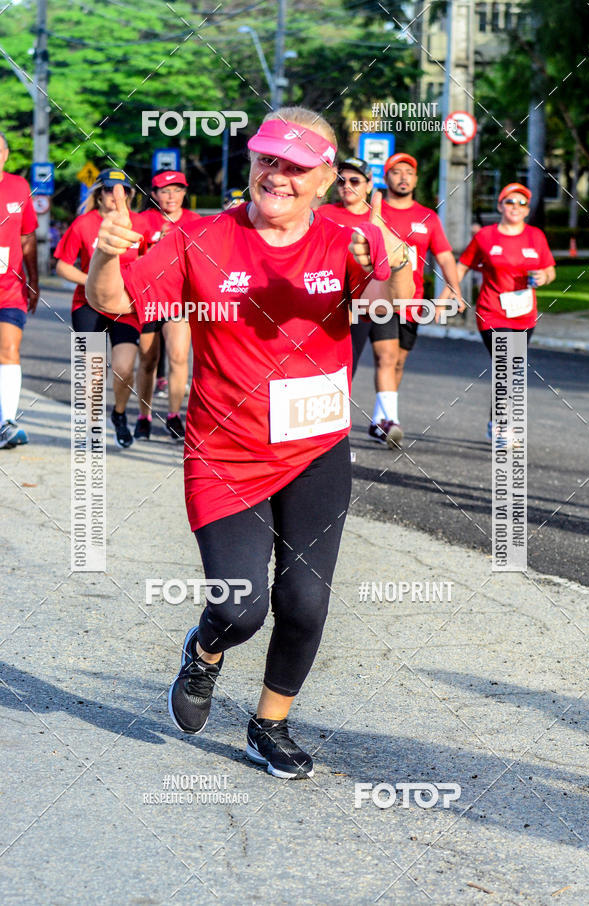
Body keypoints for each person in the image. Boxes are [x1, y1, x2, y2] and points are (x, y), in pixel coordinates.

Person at [86, 107, 413, 779]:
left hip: (316, 449)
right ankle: (206, 649)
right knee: (241, 606)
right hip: (225, 452)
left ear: (325, 178)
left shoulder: (345, 239)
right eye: (268, 160)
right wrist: (104, 254)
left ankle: (270, 723)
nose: (278, 176)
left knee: (304, 603)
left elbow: (390, 299)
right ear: (253, 164)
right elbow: (116, 302)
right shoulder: (202, 236)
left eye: (296, 167)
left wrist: (395, 259)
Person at [355, 152, 462, 449]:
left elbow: (443, 256)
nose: (403, 177)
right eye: (396, 172)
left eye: (409, 172)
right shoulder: (376, 212)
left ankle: (380, 422)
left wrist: (452, 290)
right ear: (386, 178)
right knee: (386, 357)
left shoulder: (428, 216)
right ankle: (391, 420)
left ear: (415, 179)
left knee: (399, 362)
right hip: (382, 297)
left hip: (413, 302)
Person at [438, 182, 555, 440]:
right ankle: (503, 425)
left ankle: (496, 421)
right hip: (492, 311)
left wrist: (542, 277)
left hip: (524, 314)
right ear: (500, 205)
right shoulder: (485, 236)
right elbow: (462, 266)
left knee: (511, 368)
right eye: (510, 201)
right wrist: (447, 295)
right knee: (507, 363)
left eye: (522, 203)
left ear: (527, 210)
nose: (516, 207)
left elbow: (550, 270)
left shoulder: (536, 236)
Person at [55, 168, 145, 448]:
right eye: (108, 189)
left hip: (125, 306)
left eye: (122, 190)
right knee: (93, 369)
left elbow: (149, 263)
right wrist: (94, 282)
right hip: (88, 304)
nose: (115, 195)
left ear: (129, 195)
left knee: (124, 367)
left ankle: (118, 414)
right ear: (99, 193)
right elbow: (61, 265)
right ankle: (91, 428)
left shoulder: (140, 224)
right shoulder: (83, 223)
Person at [135, 171, 202, 441]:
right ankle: (144, 416)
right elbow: (131, 261)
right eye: (164, 191)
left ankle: (174, 415)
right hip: (149, 300)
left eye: (177, 190)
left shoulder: (196, 222)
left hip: (179, 301)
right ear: (154, 194)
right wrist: (154, 248)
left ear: (185, 193)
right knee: (148, 360)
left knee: (177, 357)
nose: (171, 196)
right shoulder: (141, 221)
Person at [317, 157, 378, 376]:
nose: (347, 186)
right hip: (324, 300)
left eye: (355, 181)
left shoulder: (378, 219)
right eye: (341, 181)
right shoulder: (323, 214)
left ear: (369, 184)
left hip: (360, 303)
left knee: (345, 368)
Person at [0, 130, 39, 449]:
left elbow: (27, 239)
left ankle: (7, 423)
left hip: (10, 288)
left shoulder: (19, 187)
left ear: (6, 154)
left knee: (10, 349)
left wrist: (34, 279)